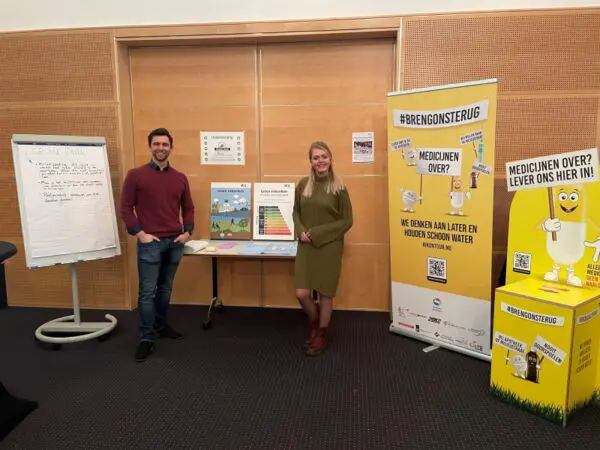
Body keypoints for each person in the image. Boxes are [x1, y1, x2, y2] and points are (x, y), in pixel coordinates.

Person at [120, 128, 195, 362]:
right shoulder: (135, 175)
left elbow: (189, 208)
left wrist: (188, 232)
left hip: (174, 242)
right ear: (150, 146)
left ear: (171, 147)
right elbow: (125, 208)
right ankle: (146, 337)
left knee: (165, 289)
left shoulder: (180, 178)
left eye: (165, 144)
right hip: (150, 243)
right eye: (156, 144)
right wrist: (139, 233)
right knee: (147, 293)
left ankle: (161, 326)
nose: (160, 148)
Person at [292, 141, 353, 356]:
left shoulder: (339, 188)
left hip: (330, 245)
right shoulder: (302, 185)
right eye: (316, 157)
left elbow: (347, 221)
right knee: (301, 292)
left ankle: (321, 333)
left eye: (324, 156)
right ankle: (315, 320)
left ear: (330, 159)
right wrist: (300, 232)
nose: (320, 161)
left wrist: (315, 234)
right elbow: (295, 213)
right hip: (306, 244)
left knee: (326, 293)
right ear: (310, 162)